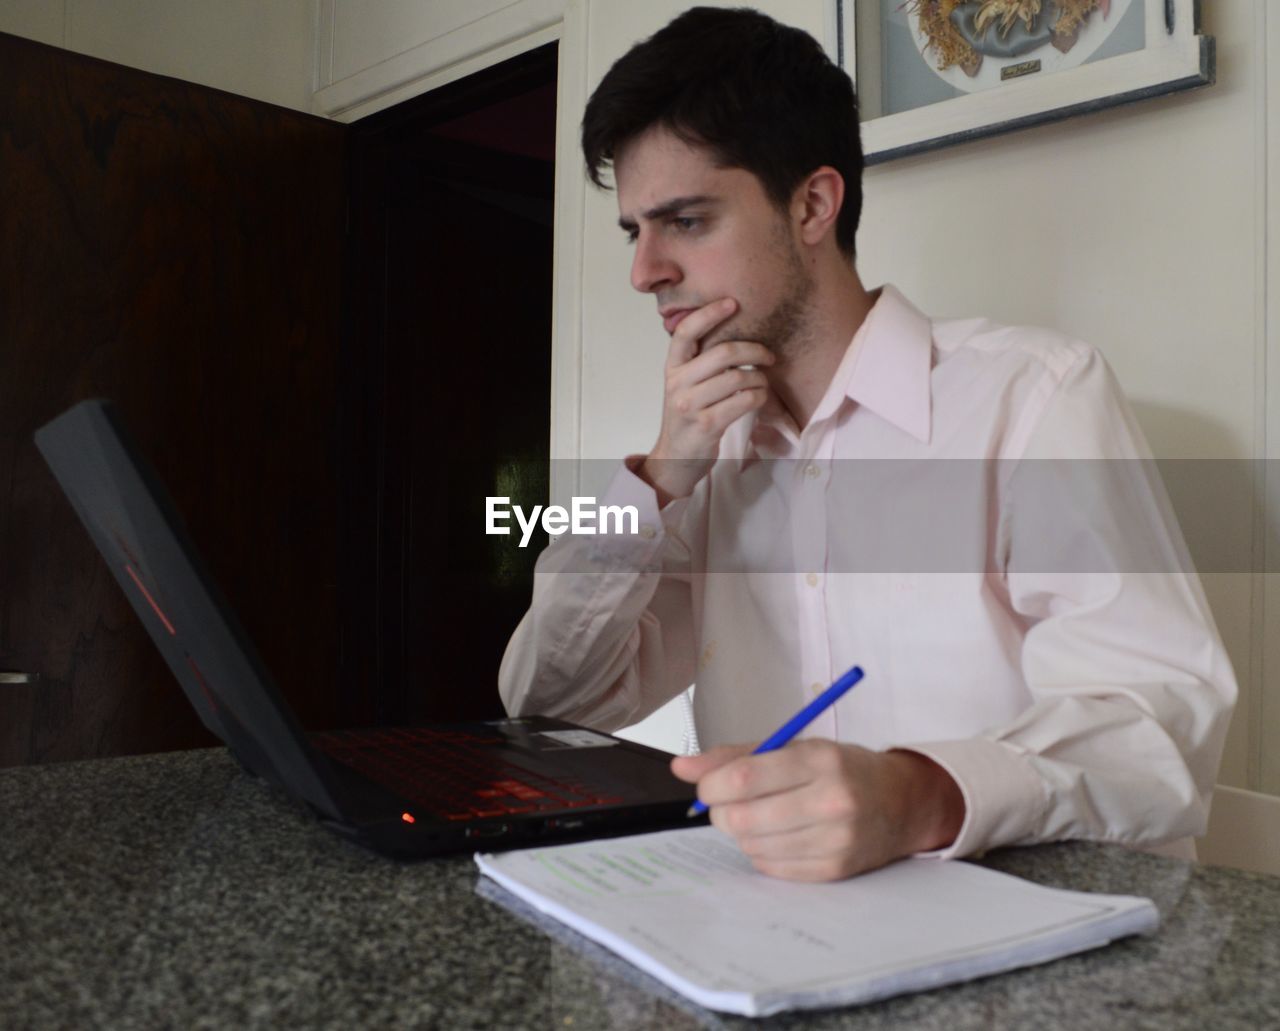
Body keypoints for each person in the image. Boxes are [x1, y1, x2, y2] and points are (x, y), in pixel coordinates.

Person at [498, 6, 1236, 881]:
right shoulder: (704, 463)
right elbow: (546, 702)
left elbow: (1161, 722)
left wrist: (917, 795)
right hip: (766, 950)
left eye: (686, 221)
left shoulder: (1035, 398)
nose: (643, 270)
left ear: (813, 203)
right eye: (635, 230)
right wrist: (658, 482)